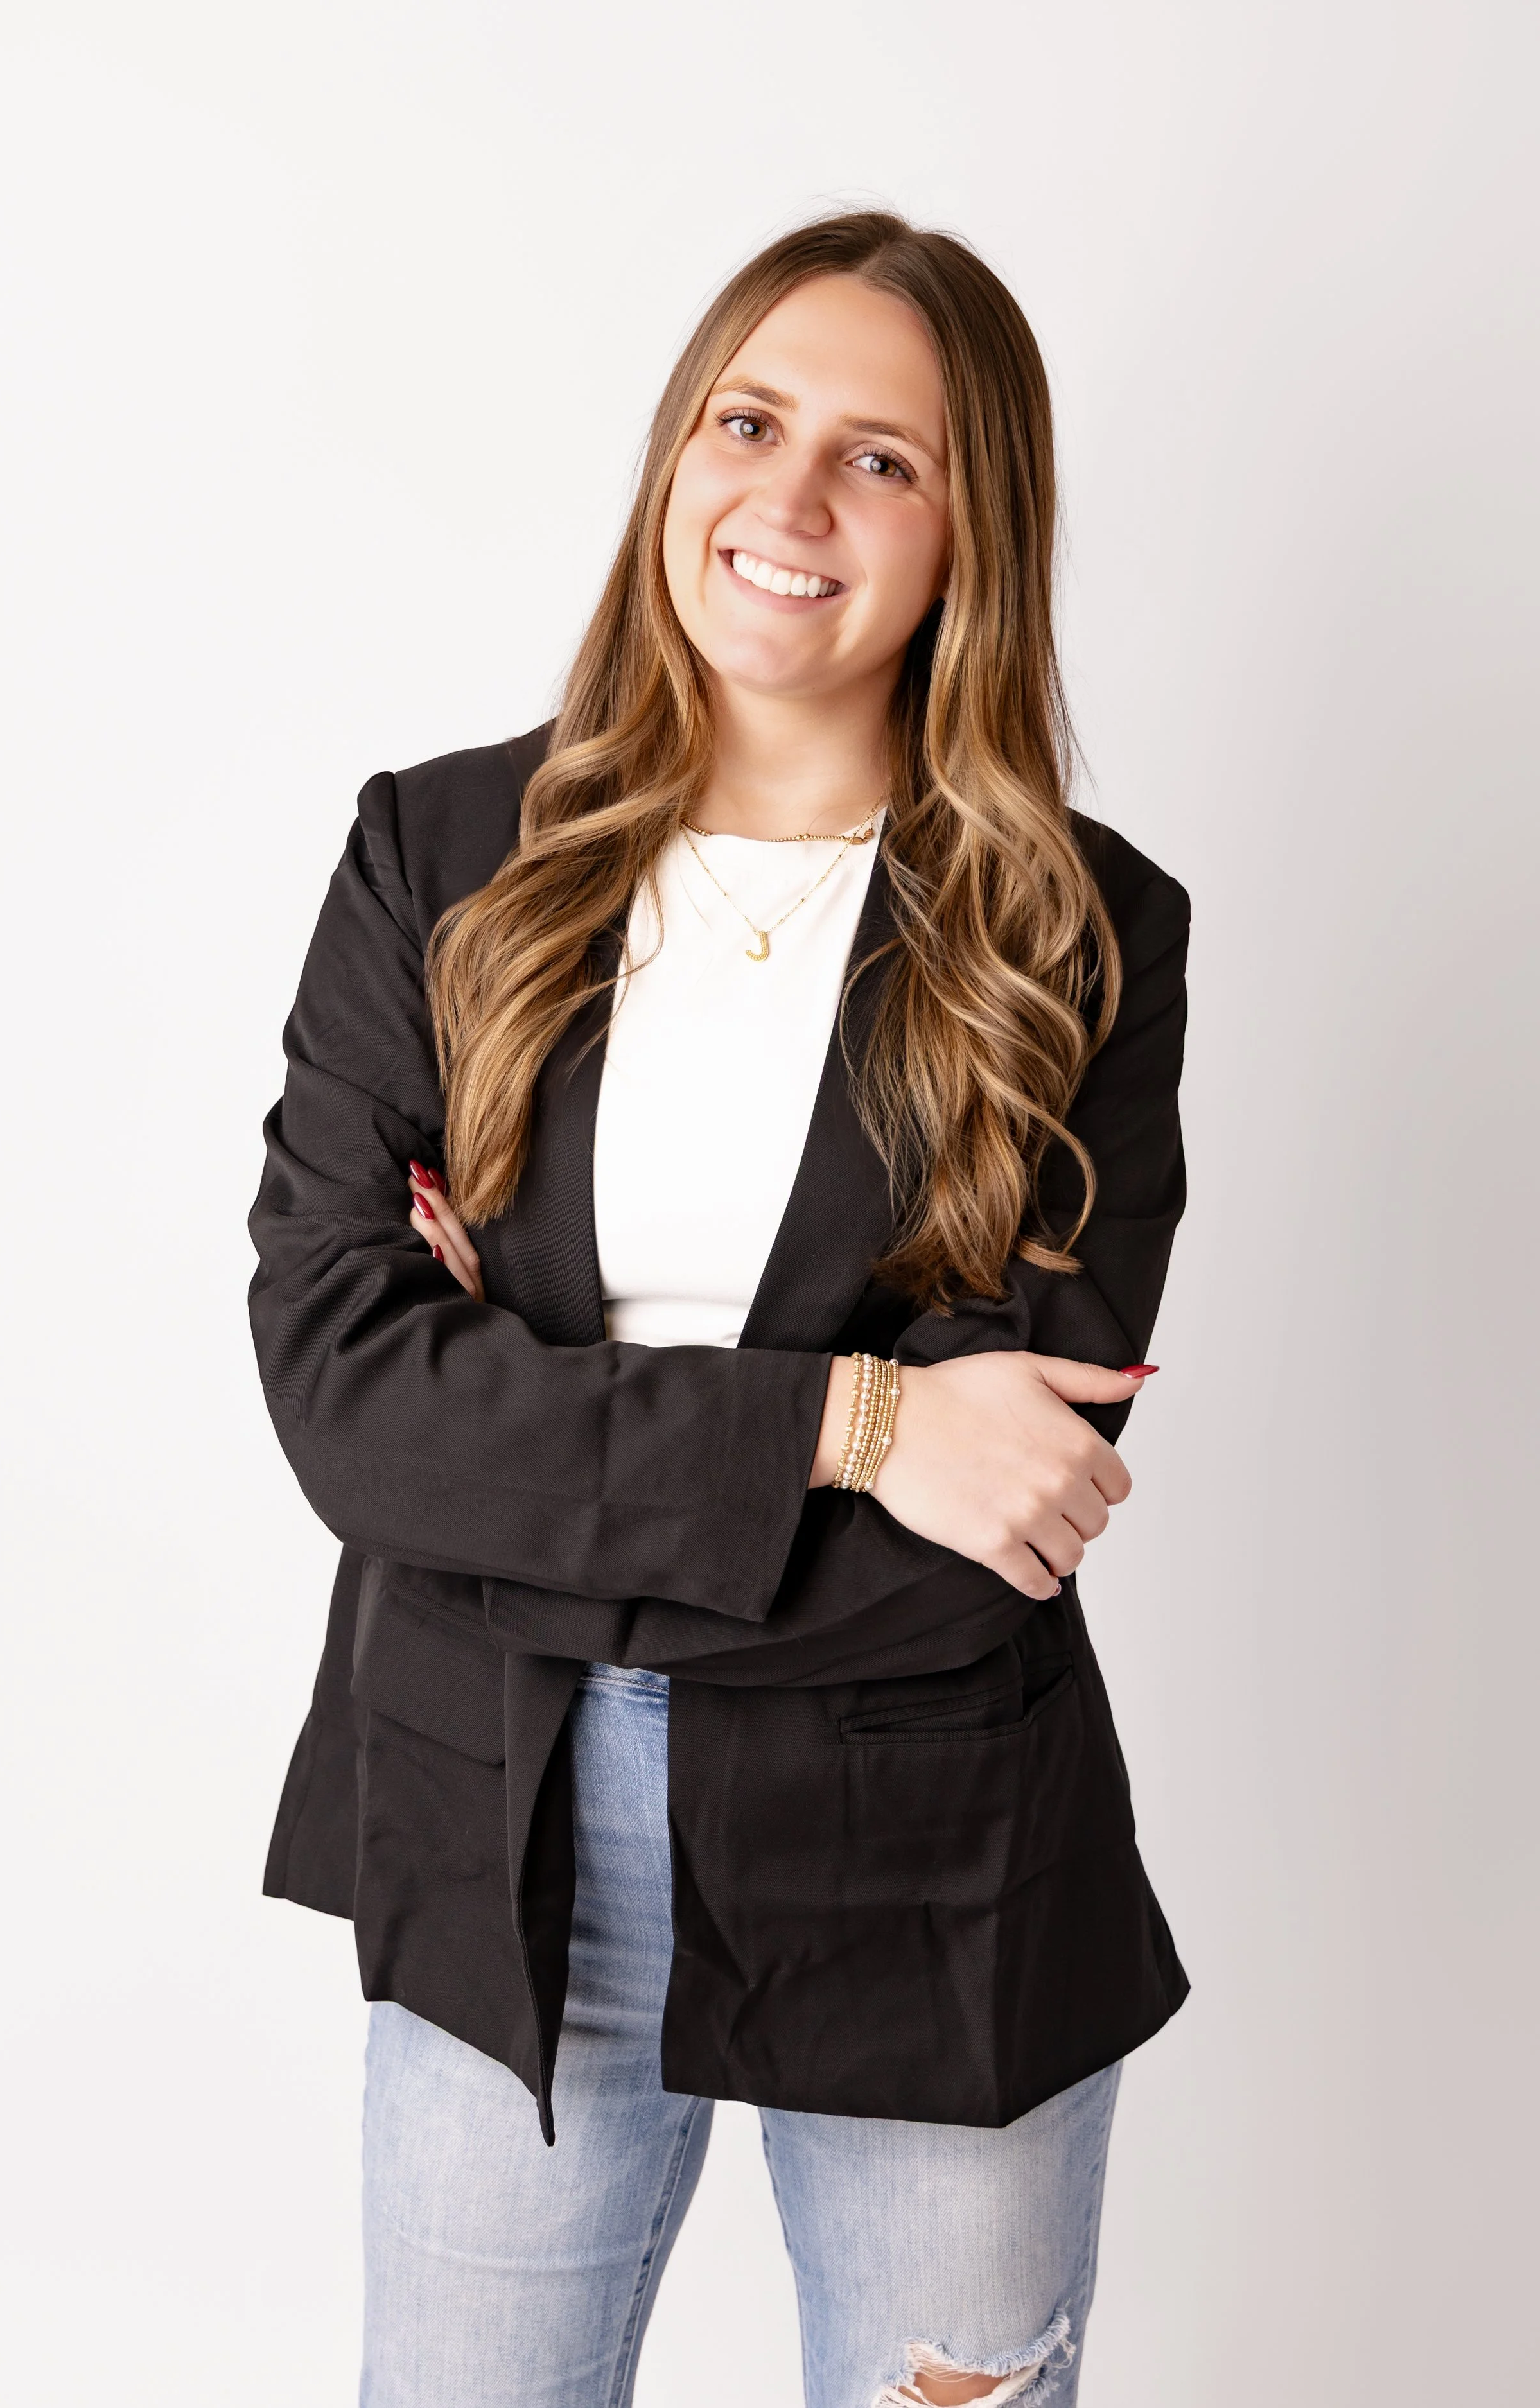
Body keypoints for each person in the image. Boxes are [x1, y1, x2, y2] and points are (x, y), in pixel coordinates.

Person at [249, 209, 1191, 2408]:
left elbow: (1012, 1488)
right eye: (745, 422)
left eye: (882, 458)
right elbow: (347, 1402)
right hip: (495, 1813)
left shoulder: (1080, 935)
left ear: (977, 532)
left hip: (935, 1838)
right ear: (673, 459)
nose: (787, 499)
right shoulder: (439, 858)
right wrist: (859, 1422)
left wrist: (541, 1431)